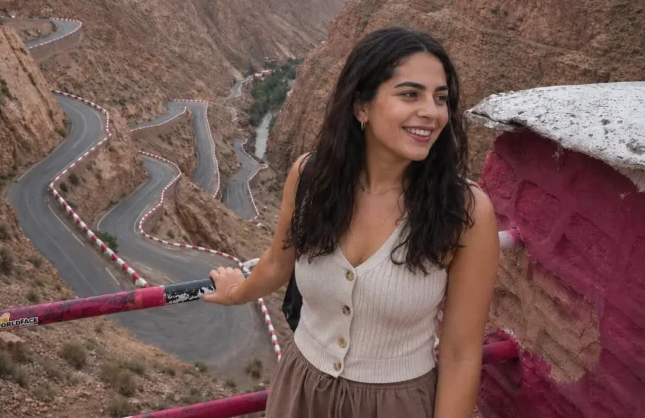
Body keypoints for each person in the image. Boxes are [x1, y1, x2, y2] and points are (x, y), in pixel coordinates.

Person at [204, 27, 500, 417]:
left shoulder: (464, 211)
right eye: (410, 94)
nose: (431, 111)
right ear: (362, 106)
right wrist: (237, 293)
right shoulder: (311, 178)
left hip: (398, 406)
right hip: (302, 393)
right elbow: (279, 263)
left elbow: (461, 355)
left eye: (441, 98)